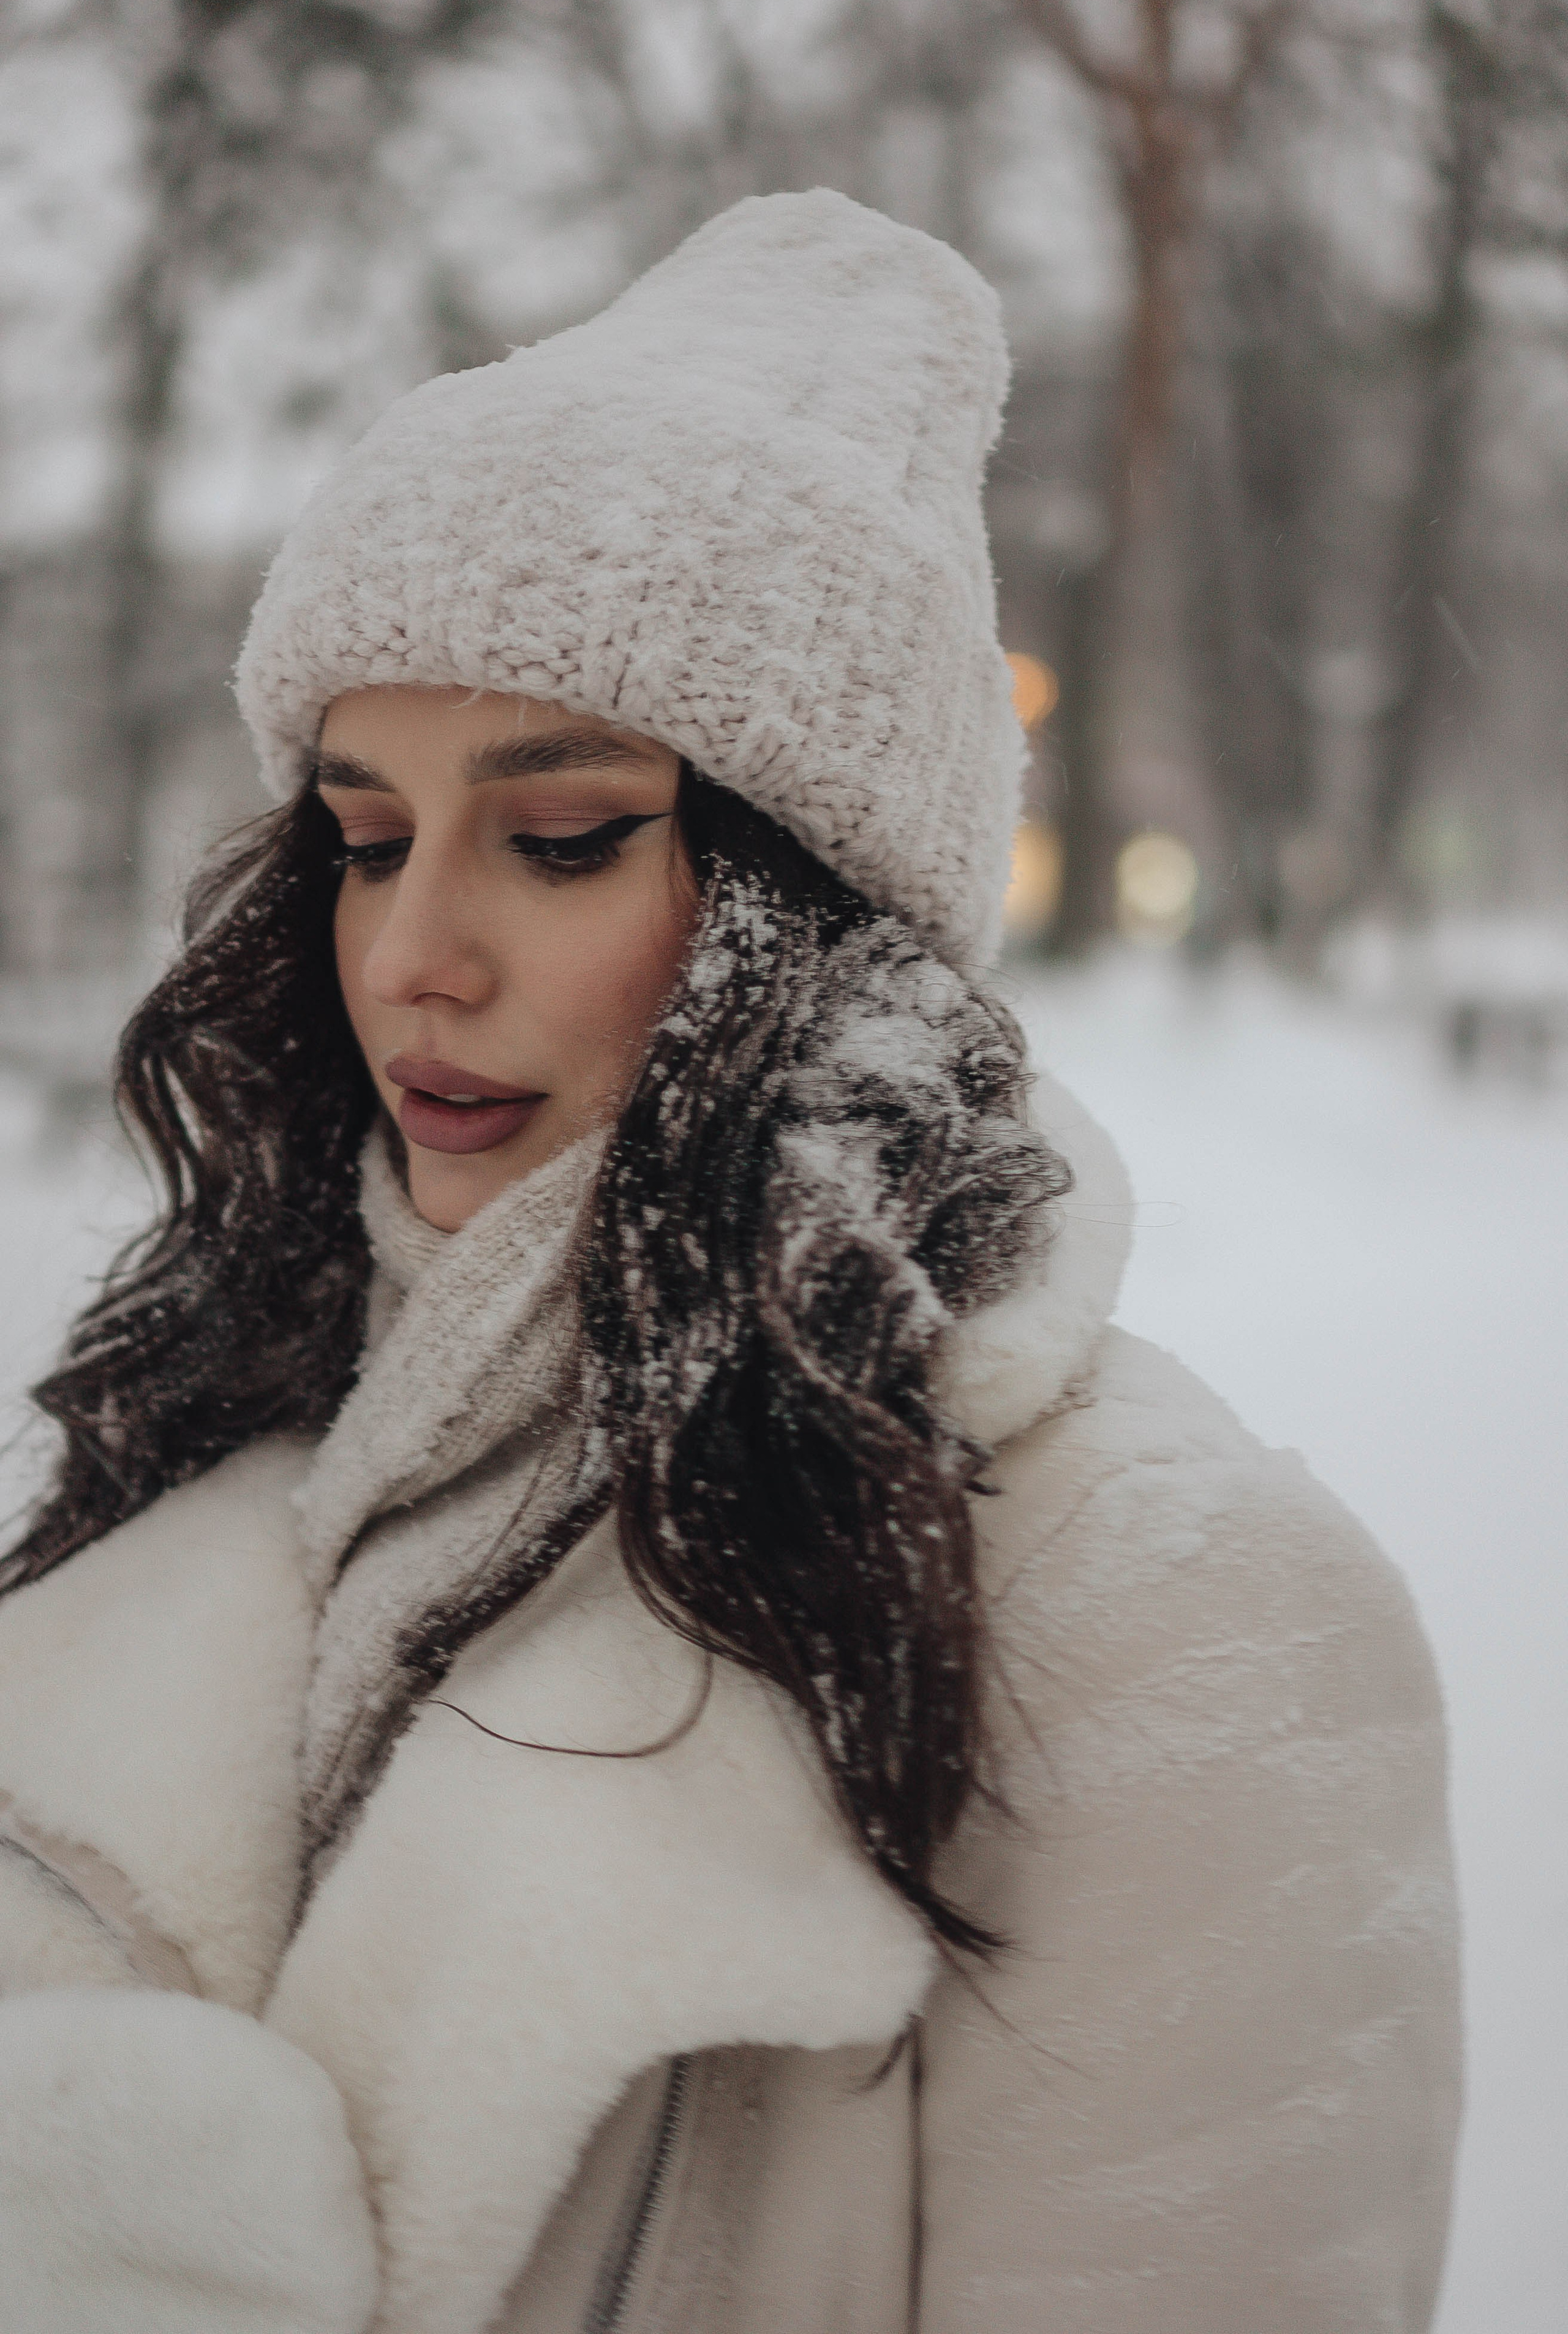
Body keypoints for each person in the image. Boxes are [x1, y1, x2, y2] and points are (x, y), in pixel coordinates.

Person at [0, 191, 1460, 2334]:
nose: (412, 956)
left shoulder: (1167, 1603)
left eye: (565, 834)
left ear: (819, 903)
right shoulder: (234, 1433)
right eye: (366, 838)